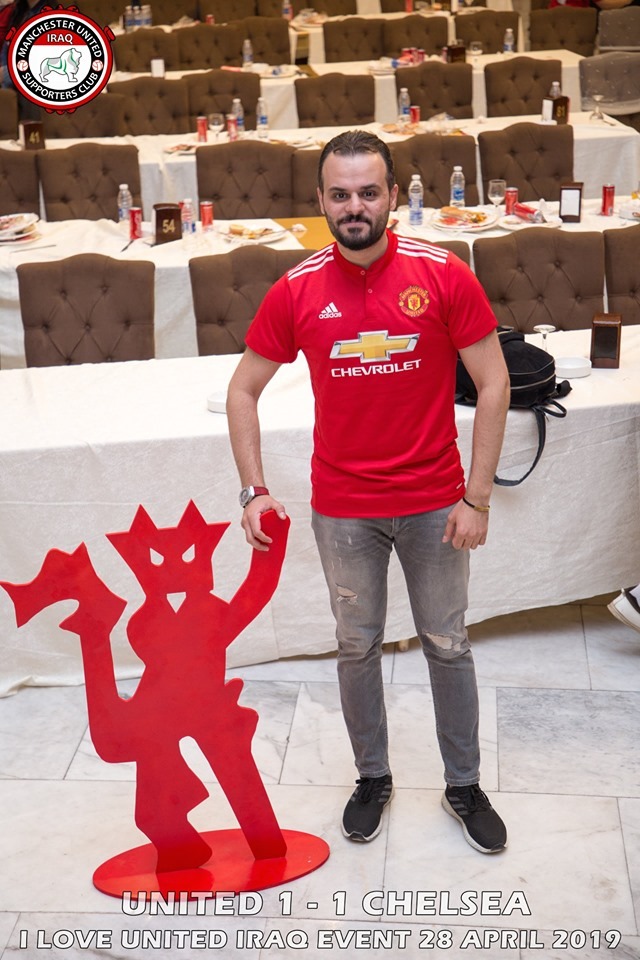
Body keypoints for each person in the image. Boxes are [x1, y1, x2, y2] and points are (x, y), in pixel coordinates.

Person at [226, 130, 511, 854]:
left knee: (447, 644)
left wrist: (477, 497)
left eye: (368, 192)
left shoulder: (443, 274)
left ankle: (464, 785)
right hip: (344, 510)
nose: (355, 206)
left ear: (393, 196)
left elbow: (495, 382)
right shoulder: (297, 288)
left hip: (434, 503)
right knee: (356, 647)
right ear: (322, 201)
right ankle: (372, 777)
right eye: (340, 194)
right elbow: (242, 389)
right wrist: (253, 490)